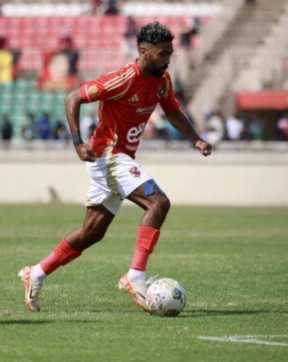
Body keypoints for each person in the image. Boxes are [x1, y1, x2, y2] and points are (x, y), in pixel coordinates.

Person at [18, 22, 212, 313]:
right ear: (143, 51)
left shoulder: (162, 81)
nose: (167, 59)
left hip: (115, 160)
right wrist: (77, 142)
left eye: (169, 53)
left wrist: (195, 139)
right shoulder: (121, 79)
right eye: (162, 54)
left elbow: (172, 110)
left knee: (91, 233)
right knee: (158, 203)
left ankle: (38, 272)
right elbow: (73, 97)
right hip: (109, 155)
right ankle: (135, 277)